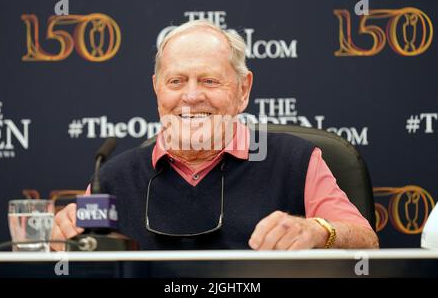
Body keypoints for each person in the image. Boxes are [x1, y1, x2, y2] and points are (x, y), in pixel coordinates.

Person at [51, 20, 379, 250]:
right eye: (176, 81)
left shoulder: (297, 161)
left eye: (209, 81)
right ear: (157, 90)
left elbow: (366, 241)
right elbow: (76, 256)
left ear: (243, 90)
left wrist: (319, 231)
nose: (191, 97)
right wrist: (64, 238)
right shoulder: (111, 177)